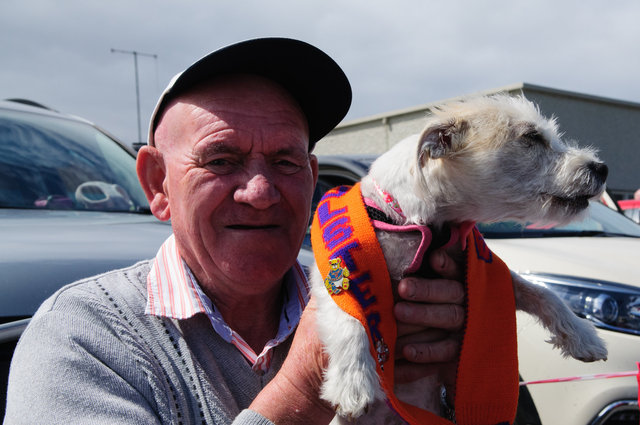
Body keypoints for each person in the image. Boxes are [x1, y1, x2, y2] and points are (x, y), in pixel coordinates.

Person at [4, 38, 464, 424]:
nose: (261, 192)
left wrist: (451, 382)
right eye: (221, 160)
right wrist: (308, 384)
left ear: (312, 175)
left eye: (286, 162)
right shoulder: (84, 336)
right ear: (156, 184)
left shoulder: (381, 292)